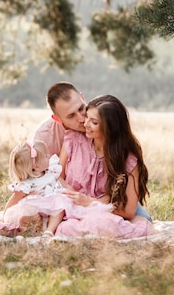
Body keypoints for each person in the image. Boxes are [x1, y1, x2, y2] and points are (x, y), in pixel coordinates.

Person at [57, 94, 154, 237]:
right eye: (87, 117)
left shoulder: (128, 160)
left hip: (106, 215)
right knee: (66, 227)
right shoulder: (74, 139)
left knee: (100, 223)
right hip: (72, 212)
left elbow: (127, 210)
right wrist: (71, 195)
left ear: (111, 128)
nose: (85, 124)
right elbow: (56, 176)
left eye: (94, 122)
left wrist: (91, 202)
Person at [2, 140, 71, 236]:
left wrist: (71, 191)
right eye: (46, 156)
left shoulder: (51, 171)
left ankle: (49, 231)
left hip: (51, 205)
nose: (49, 157)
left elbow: (63, 184)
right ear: (36, 166)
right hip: (36, 209)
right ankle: (30, 224)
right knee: (29, 211)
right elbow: (13, 201)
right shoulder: (26, 185)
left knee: (60, 205)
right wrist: (5, 215)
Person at [33, 82, 87, 157]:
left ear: (83, 98)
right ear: (57, 119)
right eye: (71, 116)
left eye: (81, 108)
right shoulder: (43, 137)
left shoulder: (102, 119)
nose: (82, 119)